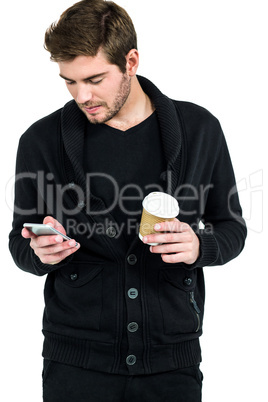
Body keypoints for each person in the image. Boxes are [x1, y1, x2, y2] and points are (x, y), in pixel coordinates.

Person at [9, 1, 247, 401]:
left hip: (172, 363)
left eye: (95, 79)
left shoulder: (200, 129)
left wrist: (198, 245)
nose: (82, 95)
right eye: (69, 81)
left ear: (131, 61)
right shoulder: (40, 140)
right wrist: (40, 253)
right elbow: (20, 243)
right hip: (75, 366)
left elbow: (232, 228)